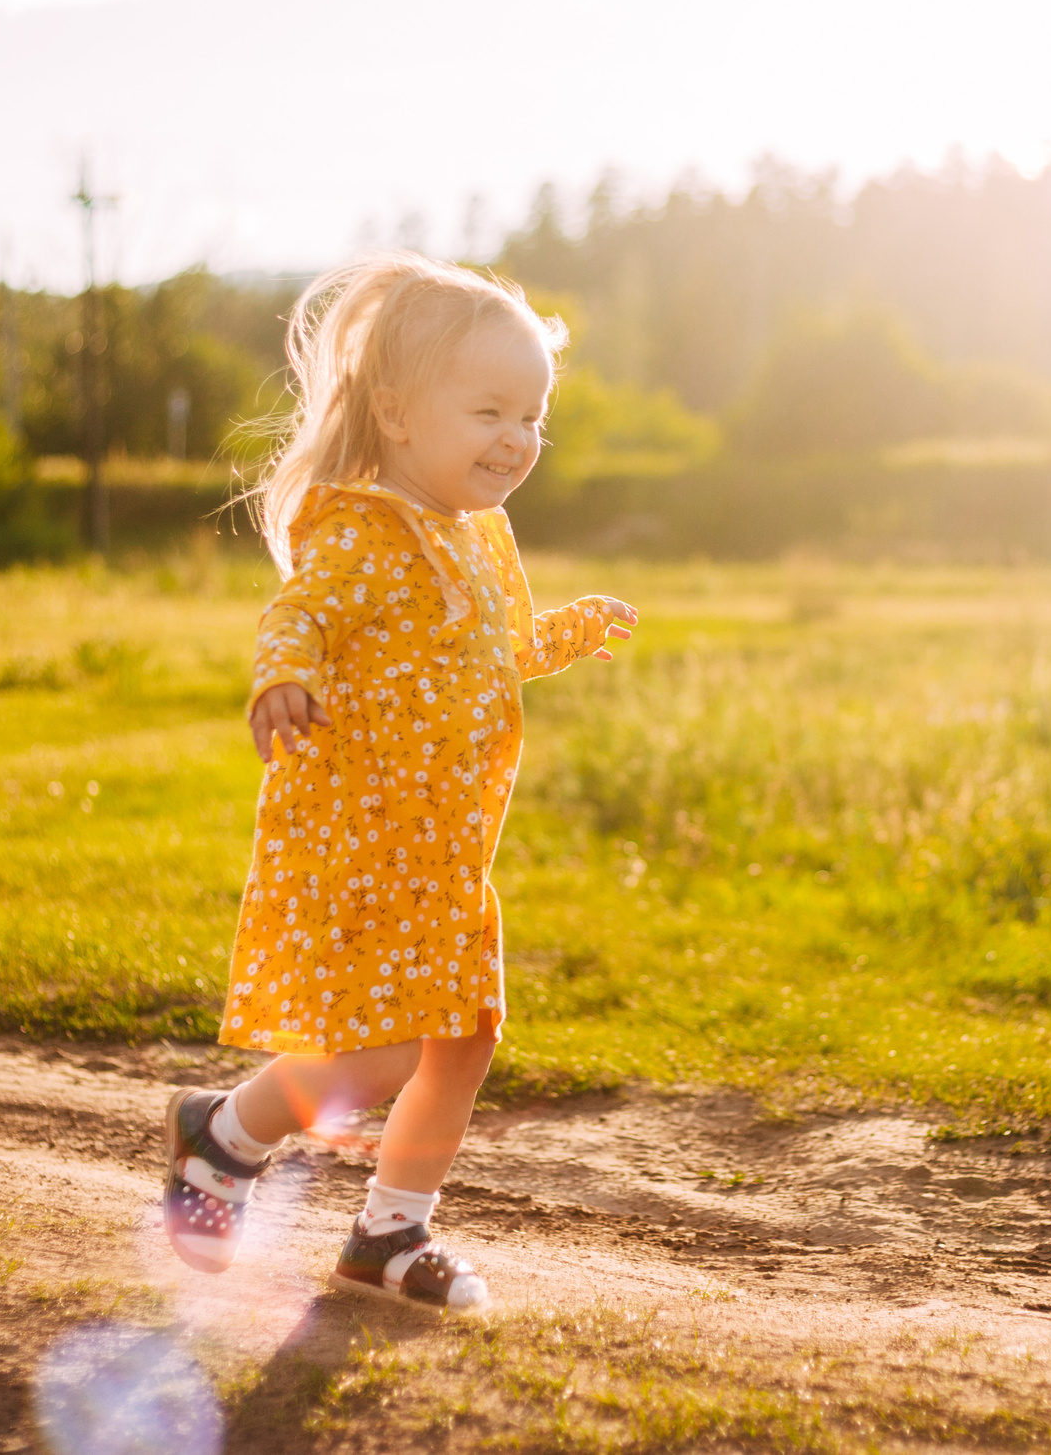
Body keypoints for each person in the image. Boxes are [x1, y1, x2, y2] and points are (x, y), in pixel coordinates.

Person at [161, 252, 635, 1312]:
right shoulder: (363, 531)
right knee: (377, 1058)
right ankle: (222, 1134)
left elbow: (493, 650)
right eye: (489, 412)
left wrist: (566, 631)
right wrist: (283, 676)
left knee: (464, 1041)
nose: (516, 438)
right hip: (367, 848)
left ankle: (390, 1234)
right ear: (396, 413)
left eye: (532, 417)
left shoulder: (480, 538)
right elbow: (299, 613)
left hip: (448, 858)